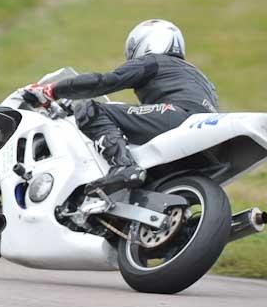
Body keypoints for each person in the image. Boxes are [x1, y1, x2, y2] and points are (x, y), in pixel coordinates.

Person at [24, 19, 218, 192]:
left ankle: (123, 166)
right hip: (204, 130)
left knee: (91, 109)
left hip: (177, 116)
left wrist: (52, 90)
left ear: (147, 42)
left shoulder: (154, 61)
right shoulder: (201, 78)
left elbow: (104, 82)